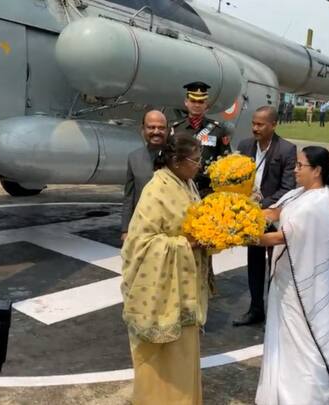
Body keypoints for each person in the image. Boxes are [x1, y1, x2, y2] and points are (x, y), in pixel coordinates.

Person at [255, 146, 329, 405]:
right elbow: (273, 213)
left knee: (304, 344)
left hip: (305, 286)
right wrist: (237, 216)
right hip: (286, 281)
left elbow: (280, 237)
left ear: (317, 171)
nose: (295, 170)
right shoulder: (298, 193)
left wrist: (243, 236)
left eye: (301, 166)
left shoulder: (317, 204)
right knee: (284, 341)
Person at [121, 134, 211, 405]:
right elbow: (141, 243)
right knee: (162, 359)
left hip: (185, 287)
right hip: (161, 293)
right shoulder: (156, 189)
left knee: (183, 355)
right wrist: (188, 244)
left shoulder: (188, 183)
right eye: (195, 160)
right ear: (176, 160)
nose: (200, 166)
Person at [233, 106, 297, 327]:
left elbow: (288, 187)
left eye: (260, 124)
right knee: (254, 262)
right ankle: (255, 308)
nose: (255, 128)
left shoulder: (287, 150)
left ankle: (276, 311)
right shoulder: (244, 146)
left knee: (276, 265)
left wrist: (263, 205)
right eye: (254, 123)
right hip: (250, 216)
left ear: (273, 125)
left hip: (274, 215)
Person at [170, 81, 232, 198]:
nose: (197, 105)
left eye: (200, 102)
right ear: (186, 102)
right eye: (193, 101)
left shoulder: (217, 130)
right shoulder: (176, 129)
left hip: (207, 190)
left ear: (206, 105)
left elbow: (226, 160)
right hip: (181, 188)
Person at [120, 109, 168, 242]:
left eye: (161, 128)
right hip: (142, 227)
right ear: (143, 129)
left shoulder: (177, 157)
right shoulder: (133, 158)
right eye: (151, 127)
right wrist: (125, 229)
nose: (156, 131)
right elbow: (129, 197)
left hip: (171, 228)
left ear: (167, 130)